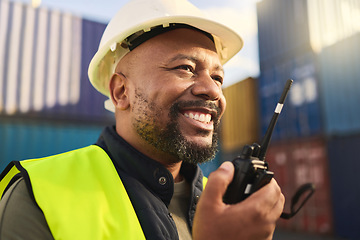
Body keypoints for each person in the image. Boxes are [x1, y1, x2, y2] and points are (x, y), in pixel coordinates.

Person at [0, 0, 285, 239]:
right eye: (185, 68)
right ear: (121, 91)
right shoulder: (37, 196)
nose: (213, 91)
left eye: (218, 77)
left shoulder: (224, 198)